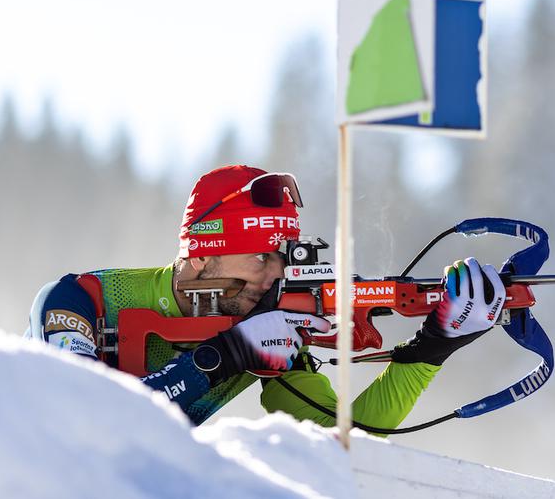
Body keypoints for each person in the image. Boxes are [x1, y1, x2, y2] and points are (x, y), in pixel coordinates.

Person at [26, 164, 506, 430]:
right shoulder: (79, 299)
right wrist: (228, 355)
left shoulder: (267, 320)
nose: (275, 275)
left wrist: (431, 347)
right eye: (261, 258)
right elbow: (81, 425)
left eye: (285, 257)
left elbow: (349, 439)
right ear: (199, 257)